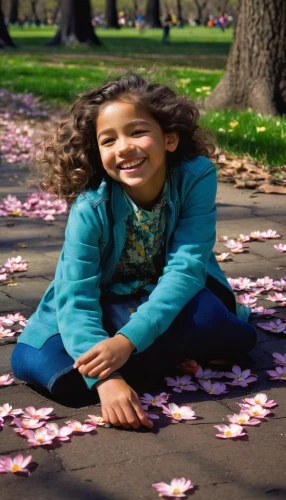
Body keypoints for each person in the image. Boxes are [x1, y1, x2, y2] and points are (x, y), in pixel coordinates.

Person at [11, 73, 257, 430]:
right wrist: (106, 381)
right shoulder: (90, 207)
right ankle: (156, 359)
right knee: (34, 358)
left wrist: (126, 342)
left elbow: (186, 270)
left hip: (168, 299)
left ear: (169, 139)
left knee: (217, 322)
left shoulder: (196, 176)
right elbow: (76, 297)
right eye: (108, 140)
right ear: (97, 153)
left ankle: (141, 353)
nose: (123, 147)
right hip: (104, 307)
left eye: (137, 132)